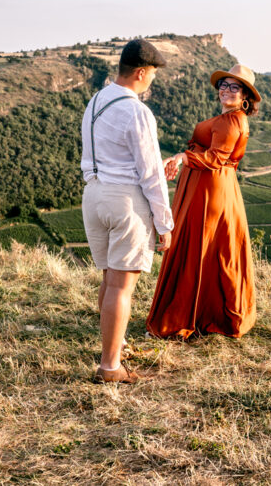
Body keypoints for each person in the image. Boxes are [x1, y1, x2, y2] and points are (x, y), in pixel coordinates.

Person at [81, 39, 173, 384]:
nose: (151, 81)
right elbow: (150, 173)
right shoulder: (137, 111)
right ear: (140, 72)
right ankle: (110, 367)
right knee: (121, 286)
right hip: (124, 200)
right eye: (152, 75)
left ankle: (115, 344)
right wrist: (164, 222)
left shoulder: (96, 101)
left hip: (94, 195)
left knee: (108, 278)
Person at [145, 64, 260, 339]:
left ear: (245, 95)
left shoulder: (233, 121)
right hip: (207, 184)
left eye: (234, 87)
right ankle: (199, 313)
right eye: (224, 85)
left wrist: (182, 158)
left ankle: (183, 316)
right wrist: (180, 157)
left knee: (197, 247)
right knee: (205, 249)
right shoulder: (227, 119)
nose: (226, 90)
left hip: (211, 189)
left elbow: (215, 159)